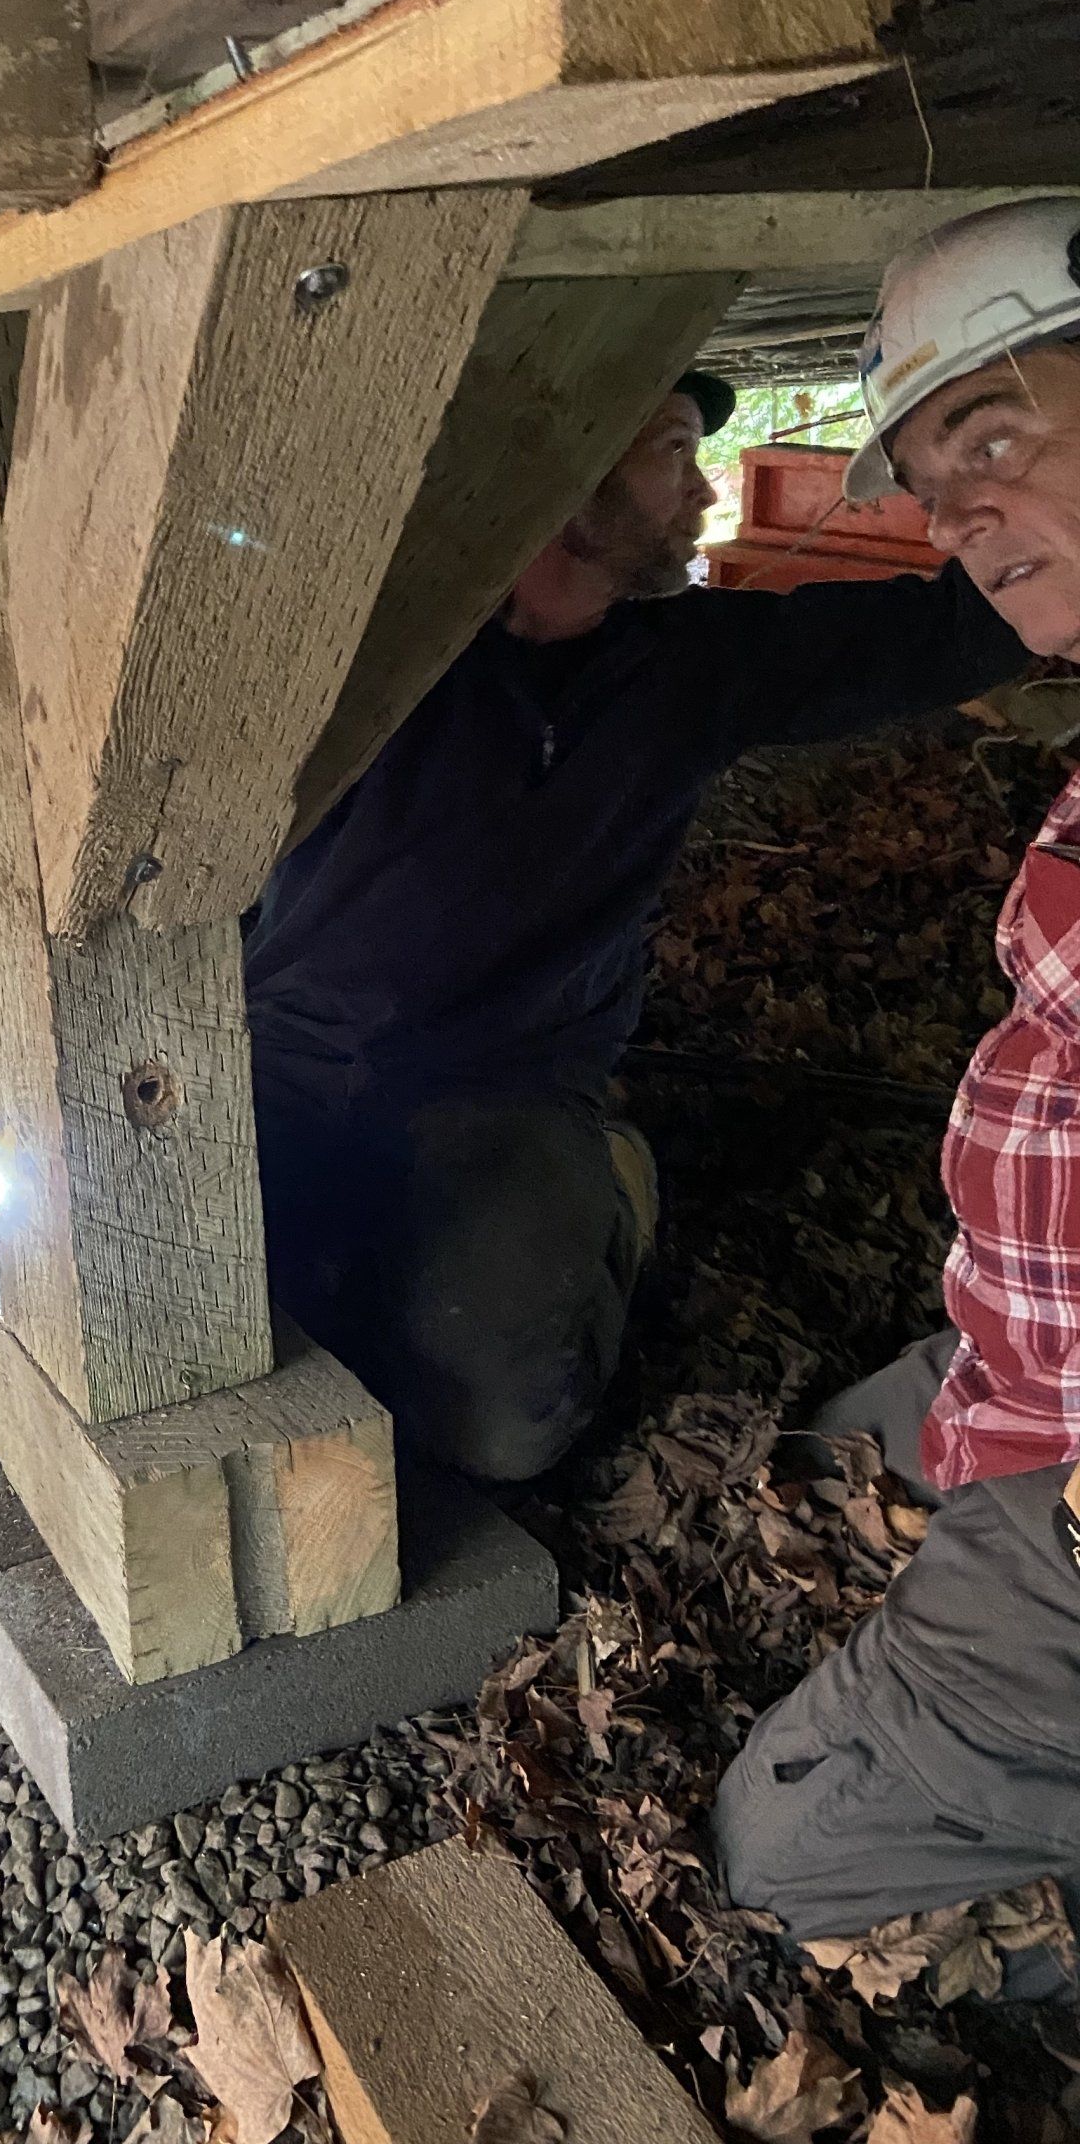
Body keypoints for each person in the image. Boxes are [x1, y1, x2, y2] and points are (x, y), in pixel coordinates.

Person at [246, 366, 1023, 1485]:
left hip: (505, 1086)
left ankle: (614, 1178)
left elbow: (950, 633)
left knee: (505, 1428)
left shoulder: (692, 666)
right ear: (562, 473)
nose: (704, 491)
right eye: (673, 453)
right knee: (171, 1327)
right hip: (283, 1058)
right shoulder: (374, 657)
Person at [714, 195, 1080, 1941]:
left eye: (996, 437)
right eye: (936, 483)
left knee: (777, 1867)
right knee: (788, 1482)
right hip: (1034, 1360)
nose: (958, 516)